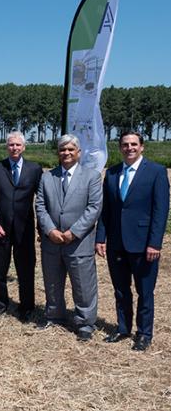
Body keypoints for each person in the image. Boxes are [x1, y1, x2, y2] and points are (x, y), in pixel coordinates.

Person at [95, 131, 170, 351]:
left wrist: (155, 243)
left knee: (144, 291)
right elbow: (106, 210)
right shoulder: (112, 173)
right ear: (120, 148)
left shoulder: (156, 172)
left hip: (144, 244)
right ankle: (123, 327)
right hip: (117, 244)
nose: (130, 148)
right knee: (121, 289)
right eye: (125, 144)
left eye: (134, 144)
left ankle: (144, 333)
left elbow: (160, 211)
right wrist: (101, 237)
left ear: (142, 147)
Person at [35, 134, 102, 341]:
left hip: (79, 242)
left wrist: (74, 232)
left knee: (83, 284)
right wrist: (50, 230)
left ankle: (85, 322)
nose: (66, 153)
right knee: (52, 282)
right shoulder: (47, 177)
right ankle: (55, 315)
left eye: (71, 149)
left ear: (79, 152)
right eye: (63, 149)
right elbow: (40, 206)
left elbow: (94, 208)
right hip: (52, 241)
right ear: (58, 153)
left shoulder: (92, 176)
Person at [0, 131, 42, 321]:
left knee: (25, 270)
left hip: (24, 229)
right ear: (6, 147)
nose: (14, 148)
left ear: (24, 147)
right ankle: (0, 304)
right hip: (0, 229)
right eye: (11, 145)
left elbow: (41, 200)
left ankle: (26, 306)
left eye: (18, 145)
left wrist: (41, 229)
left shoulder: (34, 169)